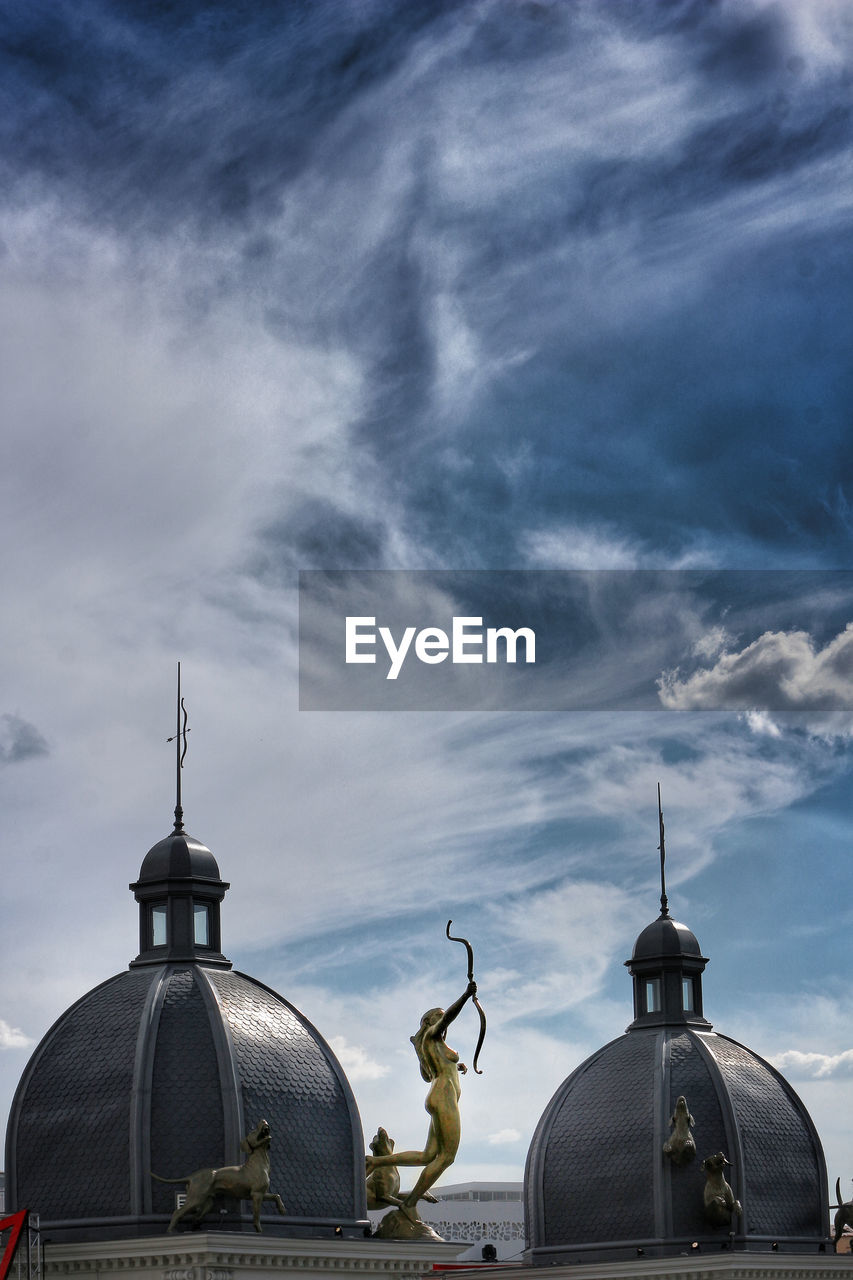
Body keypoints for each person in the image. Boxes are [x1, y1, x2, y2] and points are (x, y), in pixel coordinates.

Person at [366, 979, 477, 1219]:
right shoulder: (431, 1035)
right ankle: (411, 1202)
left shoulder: (433, 1045)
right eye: (438, 1015)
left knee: (429, 1155)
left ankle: (378, 1162)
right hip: (444, 1096)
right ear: (428, 1022)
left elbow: (432, 1073)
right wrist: (466, 996)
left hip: (438, 1093)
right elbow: (448, 1018)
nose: (443, 1018)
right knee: (447, 1157)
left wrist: (456, 1067)